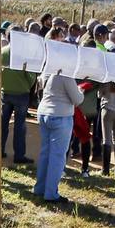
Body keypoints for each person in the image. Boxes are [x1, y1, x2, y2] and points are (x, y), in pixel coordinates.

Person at [33, 27, 82, 205]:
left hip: (44, 112)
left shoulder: (48, 68)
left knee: (45, 152)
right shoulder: (66, 72)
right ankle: (51, 193)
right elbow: (77, 99)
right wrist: (81, 90)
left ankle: (40, 188)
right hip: (60, 115)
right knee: (57, 156)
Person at [0, 39, 36, 163]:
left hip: (5, 92)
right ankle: (19, 155)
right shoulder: (24, 55)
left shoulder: (2, 52)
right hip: (21, 94)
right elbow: (31, 77)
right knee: (20, 126)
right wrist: (27, 86)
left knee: (2, 124)